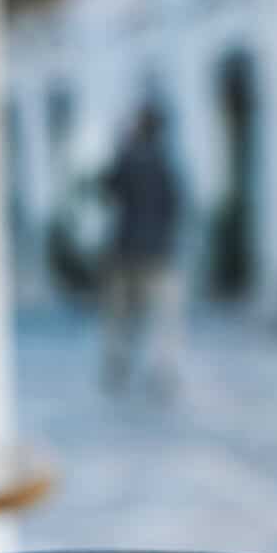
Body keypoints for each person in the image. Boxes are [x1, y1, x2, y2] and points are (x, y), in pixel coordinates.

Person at [101, 103, 183, 396]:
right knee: (162, 318)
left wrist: (119, 145)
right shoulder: (164, 163)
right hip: (159, 252)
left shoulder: (127, 158)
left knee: (121, 317)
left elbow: (108, 189)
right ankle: (162, 370)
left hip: (125, 251)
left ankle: (119, 366)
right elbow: (176, 206)